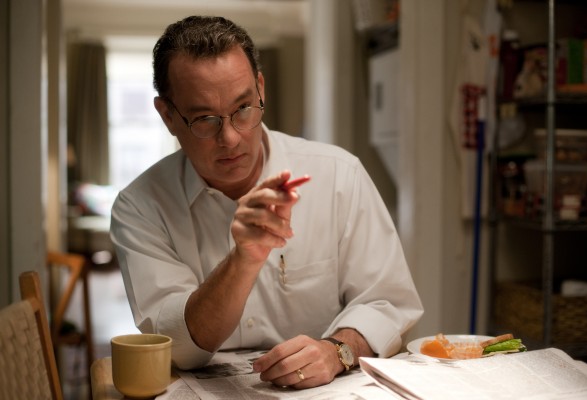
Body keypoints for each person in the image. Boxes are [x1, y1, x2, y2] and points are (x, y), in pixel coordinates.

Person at [110, 15, 423, 389]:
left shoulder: (339, 176)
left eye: (243, 108)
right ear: (168, 116)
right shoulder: (140, 208)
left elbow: (388, 303)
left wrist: (337, 351)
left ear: (260, 89)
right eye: (204, 119)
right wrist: (243, 261)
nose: (230, 138)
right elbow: (176, 345)